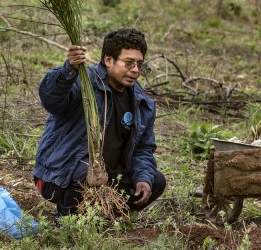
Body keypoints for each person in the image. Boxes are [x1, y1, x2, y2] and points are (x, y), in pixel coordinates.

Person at [33, 28, 166, 219]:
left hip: (108, 179)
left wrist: (143, 178)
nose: (136, 70)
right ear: (108, 60)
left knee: (156, 180)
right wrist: (68, 70)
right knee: (87, 170)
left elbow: (143, 149)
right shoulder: (84, 82)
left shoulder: (142, 103)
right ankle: (68, 220)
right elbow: (51, 99)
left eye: (139, 64)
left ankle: (103, 217)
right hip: (59, 176)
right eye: (128, 63)